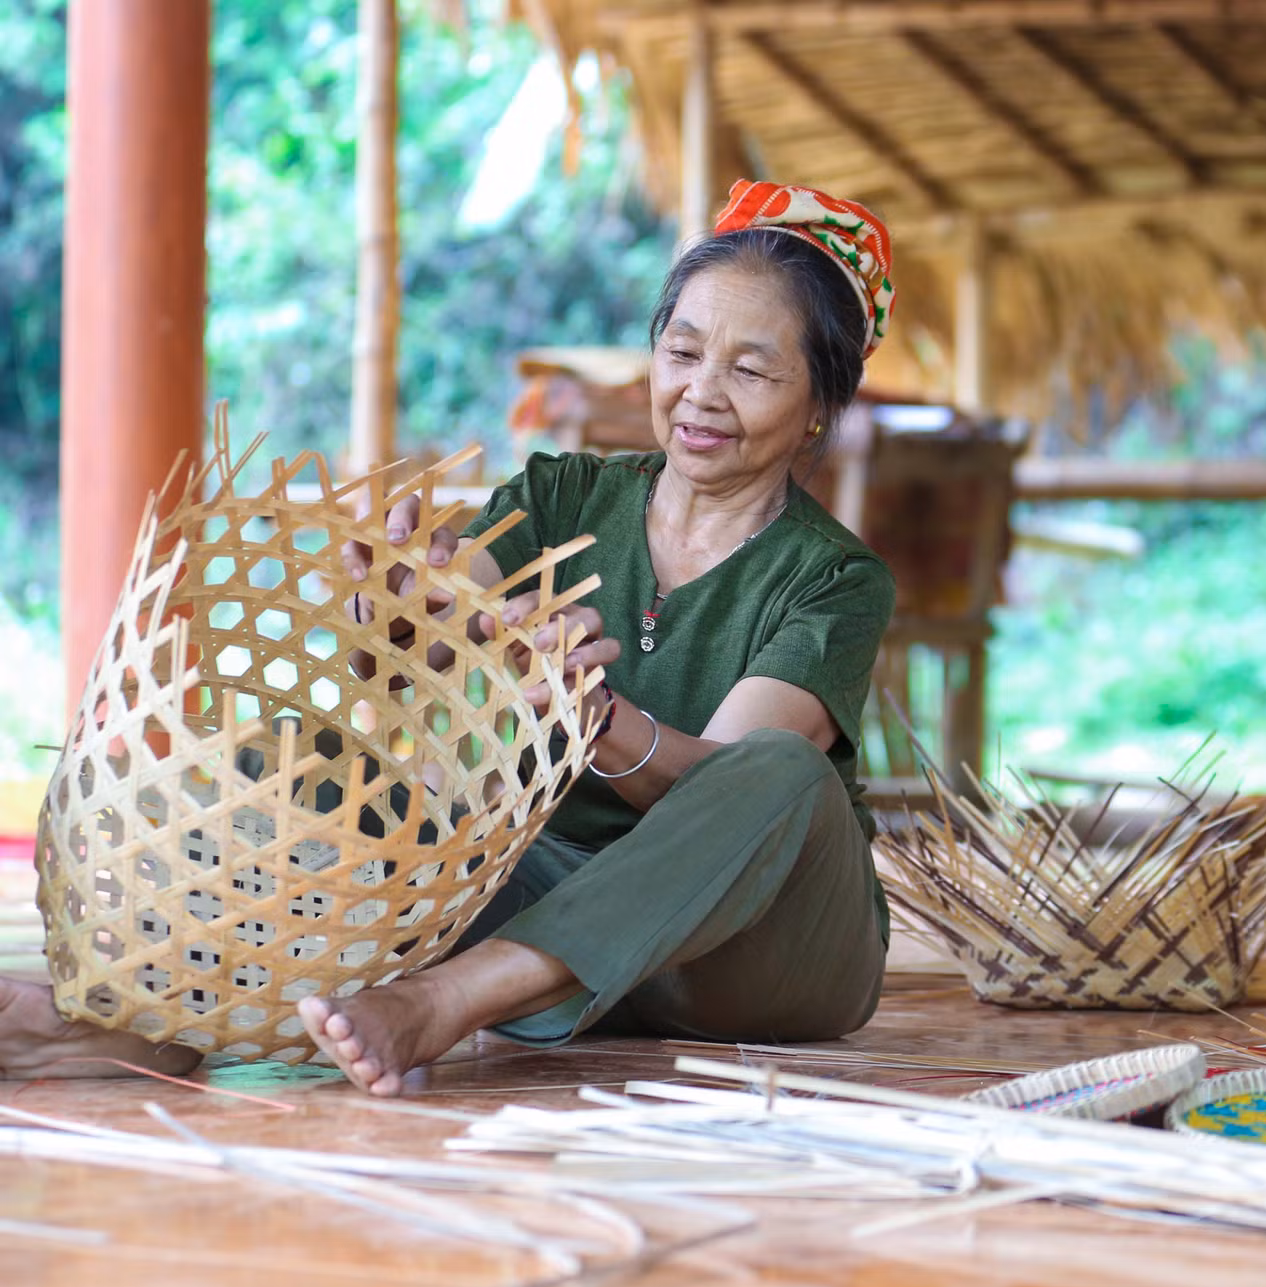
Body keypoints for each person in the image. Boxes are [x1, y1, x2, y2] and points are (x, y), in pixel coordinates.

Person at [0, 180, 899, 1096]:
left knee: (784, 772)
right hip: (542, 905)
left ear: (819, 404)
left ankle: (439, 1003)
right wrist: (390, 609)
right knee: (312, 757)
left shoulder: (835, 578)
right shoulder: (566, 497)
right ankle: (136, 1023)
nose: (701, 393)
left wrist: (600, 722)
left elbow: (723, 791)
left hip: (749, 961)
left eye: (751, 372)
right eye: (683, 351)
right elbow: (430, 639)